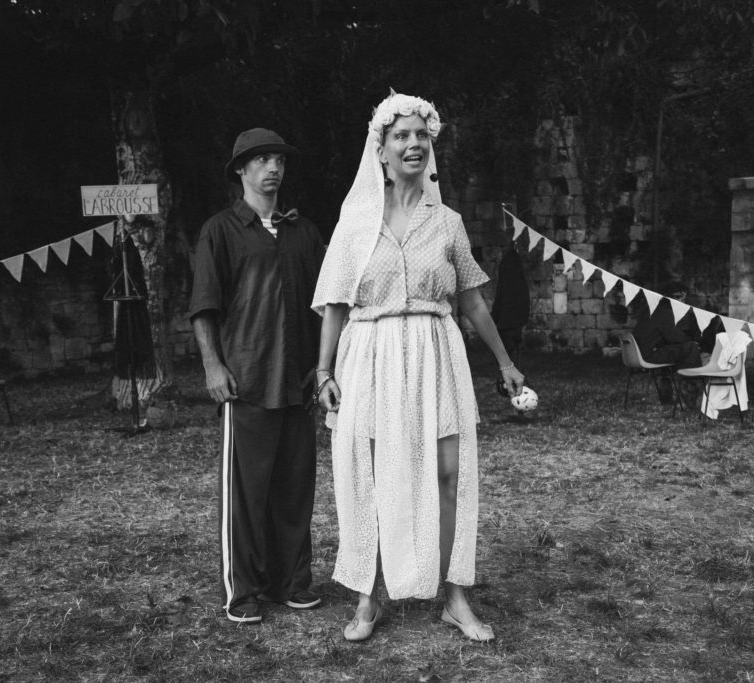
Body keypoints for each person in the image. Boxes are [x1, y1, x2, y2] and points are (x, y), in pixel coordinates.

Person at [312, 92, 526, 643]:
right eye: (400, 136)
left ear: (431, 147)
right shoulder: (355, 222)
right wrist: (323, 371)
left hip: (436, 352)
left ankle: (456, 597)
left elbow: (474, 300)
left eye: (420, 136)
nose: (412, 144)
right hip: (373, 356)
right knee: (374, 475)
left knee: (448, 472)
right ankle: (367, 598)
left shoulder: (448, 222)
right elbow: (335, 302)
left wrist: (505, 362)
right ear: (380, 150)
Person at [189, 128, 325, 624]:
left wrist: (323, 367)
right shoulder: (220, 230)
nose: (273, 168)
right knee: (245, 495)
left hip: (298, 380)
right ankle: (242, 591)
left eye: (279, 161)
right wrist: (212, 365)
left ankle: (291, 581)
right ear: (241, 171)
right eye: (262, 161)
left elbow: (323, 306)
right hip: (245, 379)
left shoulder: (304, 231)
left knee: (294, 489)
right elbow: (205, 306)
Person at [631, 281, 701, 404]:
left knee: (672, 349)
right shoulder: (664, 312)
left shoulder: (653, 309)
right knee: (690, 348)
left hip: (638, 354)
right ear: (668, 298)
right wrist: (693, 342)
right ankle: (690, 393)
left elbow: (666, 336)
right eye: (678, 297)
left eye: (684, 298)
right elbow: (675, 337)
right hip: (648, 355)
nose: (682, 302)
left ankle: (667, 392)